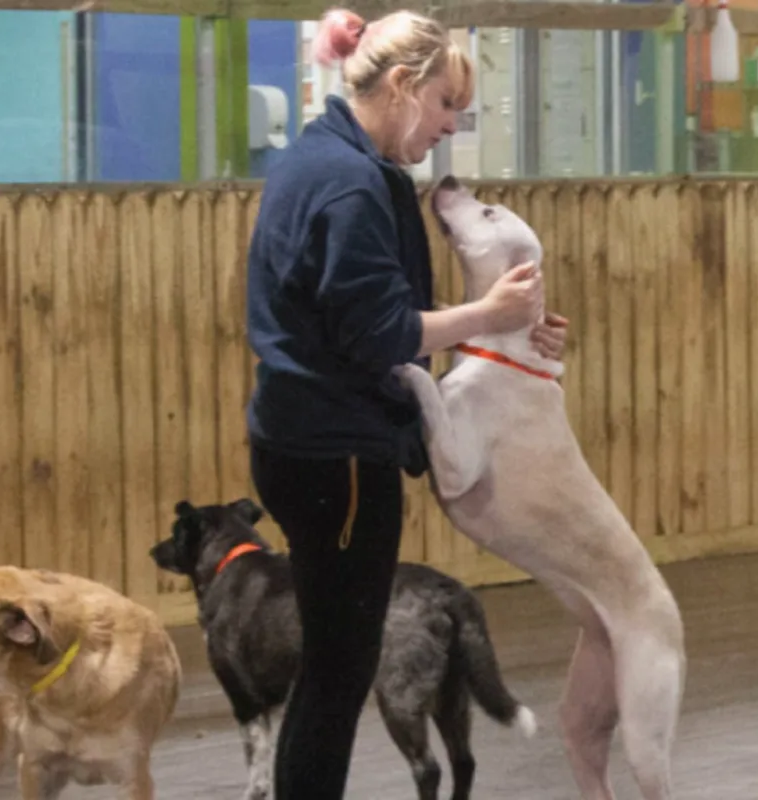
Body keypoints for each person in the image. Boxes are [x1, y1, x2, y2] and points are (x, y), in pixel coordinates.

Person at [241, 8, 566, 797]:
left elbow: (374, 325)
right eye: (447, 105)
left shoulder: (315, 159)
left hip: (298, 438)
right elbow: (382, 334)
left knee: (331, 667)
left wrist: (505, 334)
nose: (449, 127)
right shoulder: (351, 186)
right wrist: (489, 317)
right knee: (339, 673)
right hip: (337, 456)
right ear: (401, 86)